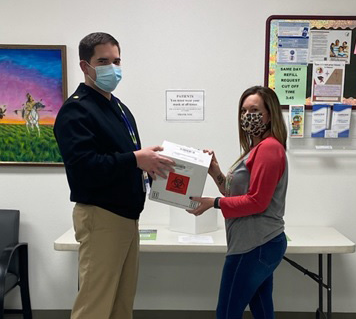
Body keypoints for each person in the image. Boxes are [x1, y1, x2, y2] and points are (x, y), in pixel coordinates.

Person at [54, 32, 175, 319]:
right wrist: (135, 158)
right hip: (102, 217)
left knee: (121, 304)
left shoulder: (119, 108)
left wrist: (149, 165)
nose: (112, 68)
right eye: (103, 61)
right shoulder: (77, 110)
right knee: (95, 306)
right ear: (85, 66)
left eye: (117, 60)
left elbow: (122, 161)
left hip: (127, 217)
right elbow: (85, 169)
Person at [189, 86, 288, 319]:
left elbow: (257, 202)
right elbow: (235, 194)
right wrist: (215, 172)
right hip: (256, 242)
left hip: (254, 245)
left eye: (254, 110)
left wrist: (213, 203)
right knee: (262, 310)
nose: (247, 116)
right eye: (243, 111)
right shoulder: (253, 150)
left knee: (226, 313)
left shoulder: (269, 148)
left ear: (270, 114)